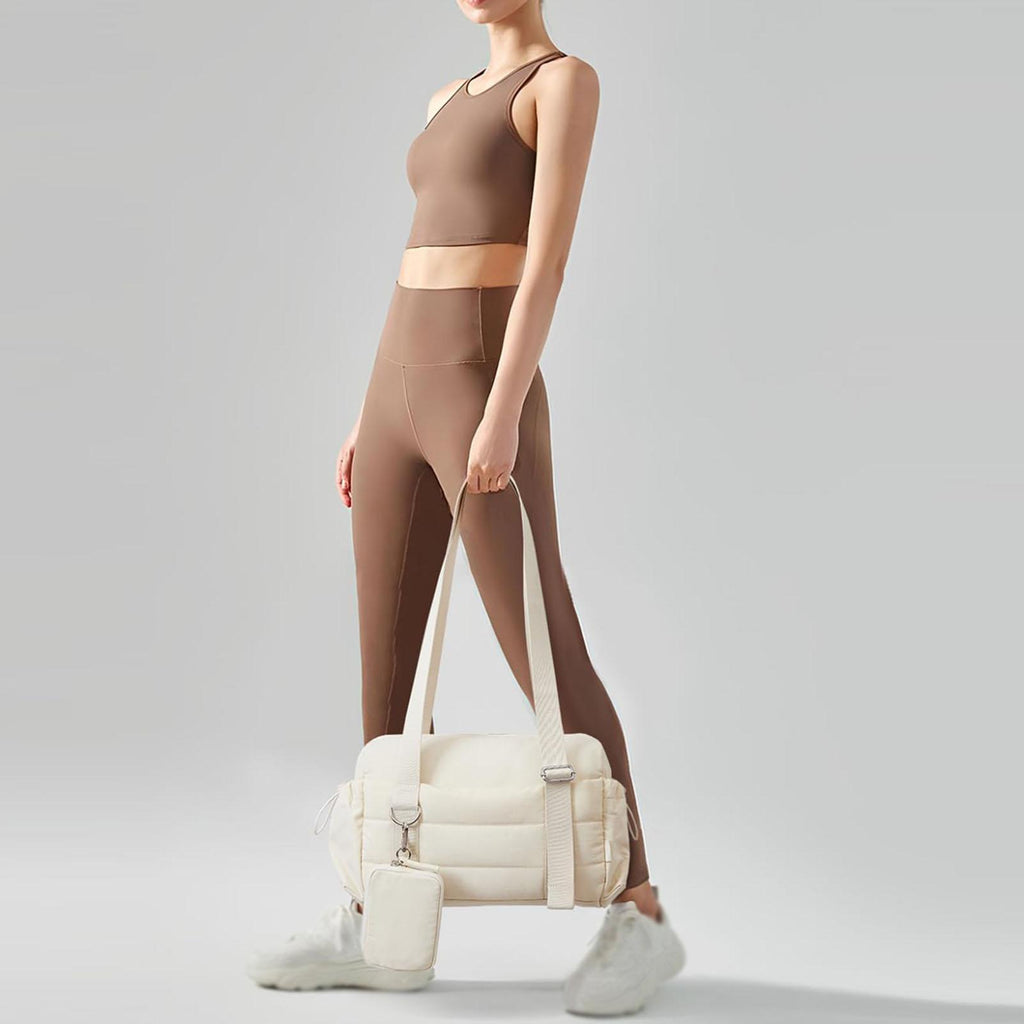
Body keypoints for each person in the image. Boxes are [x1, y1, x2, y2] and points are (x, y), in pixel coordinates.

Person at [247, 0, 685, 1015]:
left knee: (544, 644)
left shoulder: (561, 82)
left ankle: (640, 911)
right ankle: (381, 917)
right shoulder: (445, 96)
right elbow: (417, 255)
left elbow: (546, 263)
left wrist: (501, 410)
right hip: (394, 390)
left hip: (481, 387)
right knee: (386, 670)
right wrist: (367, 411)